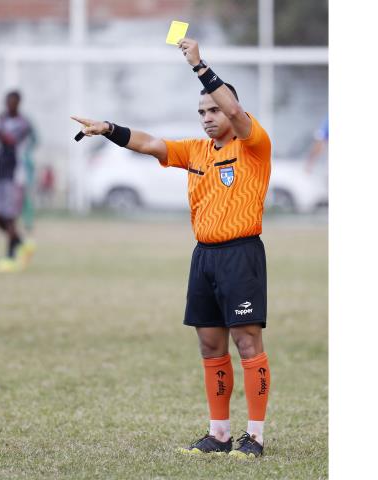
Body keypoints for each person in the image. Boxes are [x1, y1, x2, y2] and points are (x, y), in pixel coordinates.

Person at [71, 37, 272, 459]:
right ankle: (219, 435)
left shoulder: (254, 146)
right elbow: (150, 144)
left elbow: (237, 113)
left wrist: (199, 66)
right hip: (205, 257)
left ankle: (255, 438)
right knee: (210, 345)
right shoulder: (195, 151)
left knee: (247, 343)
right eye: (201, 112)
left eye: (214, 110)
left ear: (232, 110)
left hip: (241, 255)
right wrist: (108, 129)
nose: (207, 118)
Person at [0, 90, 36, 272]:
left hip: (15, 175)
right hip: (0, 173)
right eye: (7, 102)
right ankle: (22, 243)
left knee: (9, 217)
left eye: (12, 102)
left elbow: (11, 140)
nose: (9, 105)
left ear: (18, 103)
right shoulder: (3, 120)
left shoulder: (23, 123)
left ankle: (10, 257)